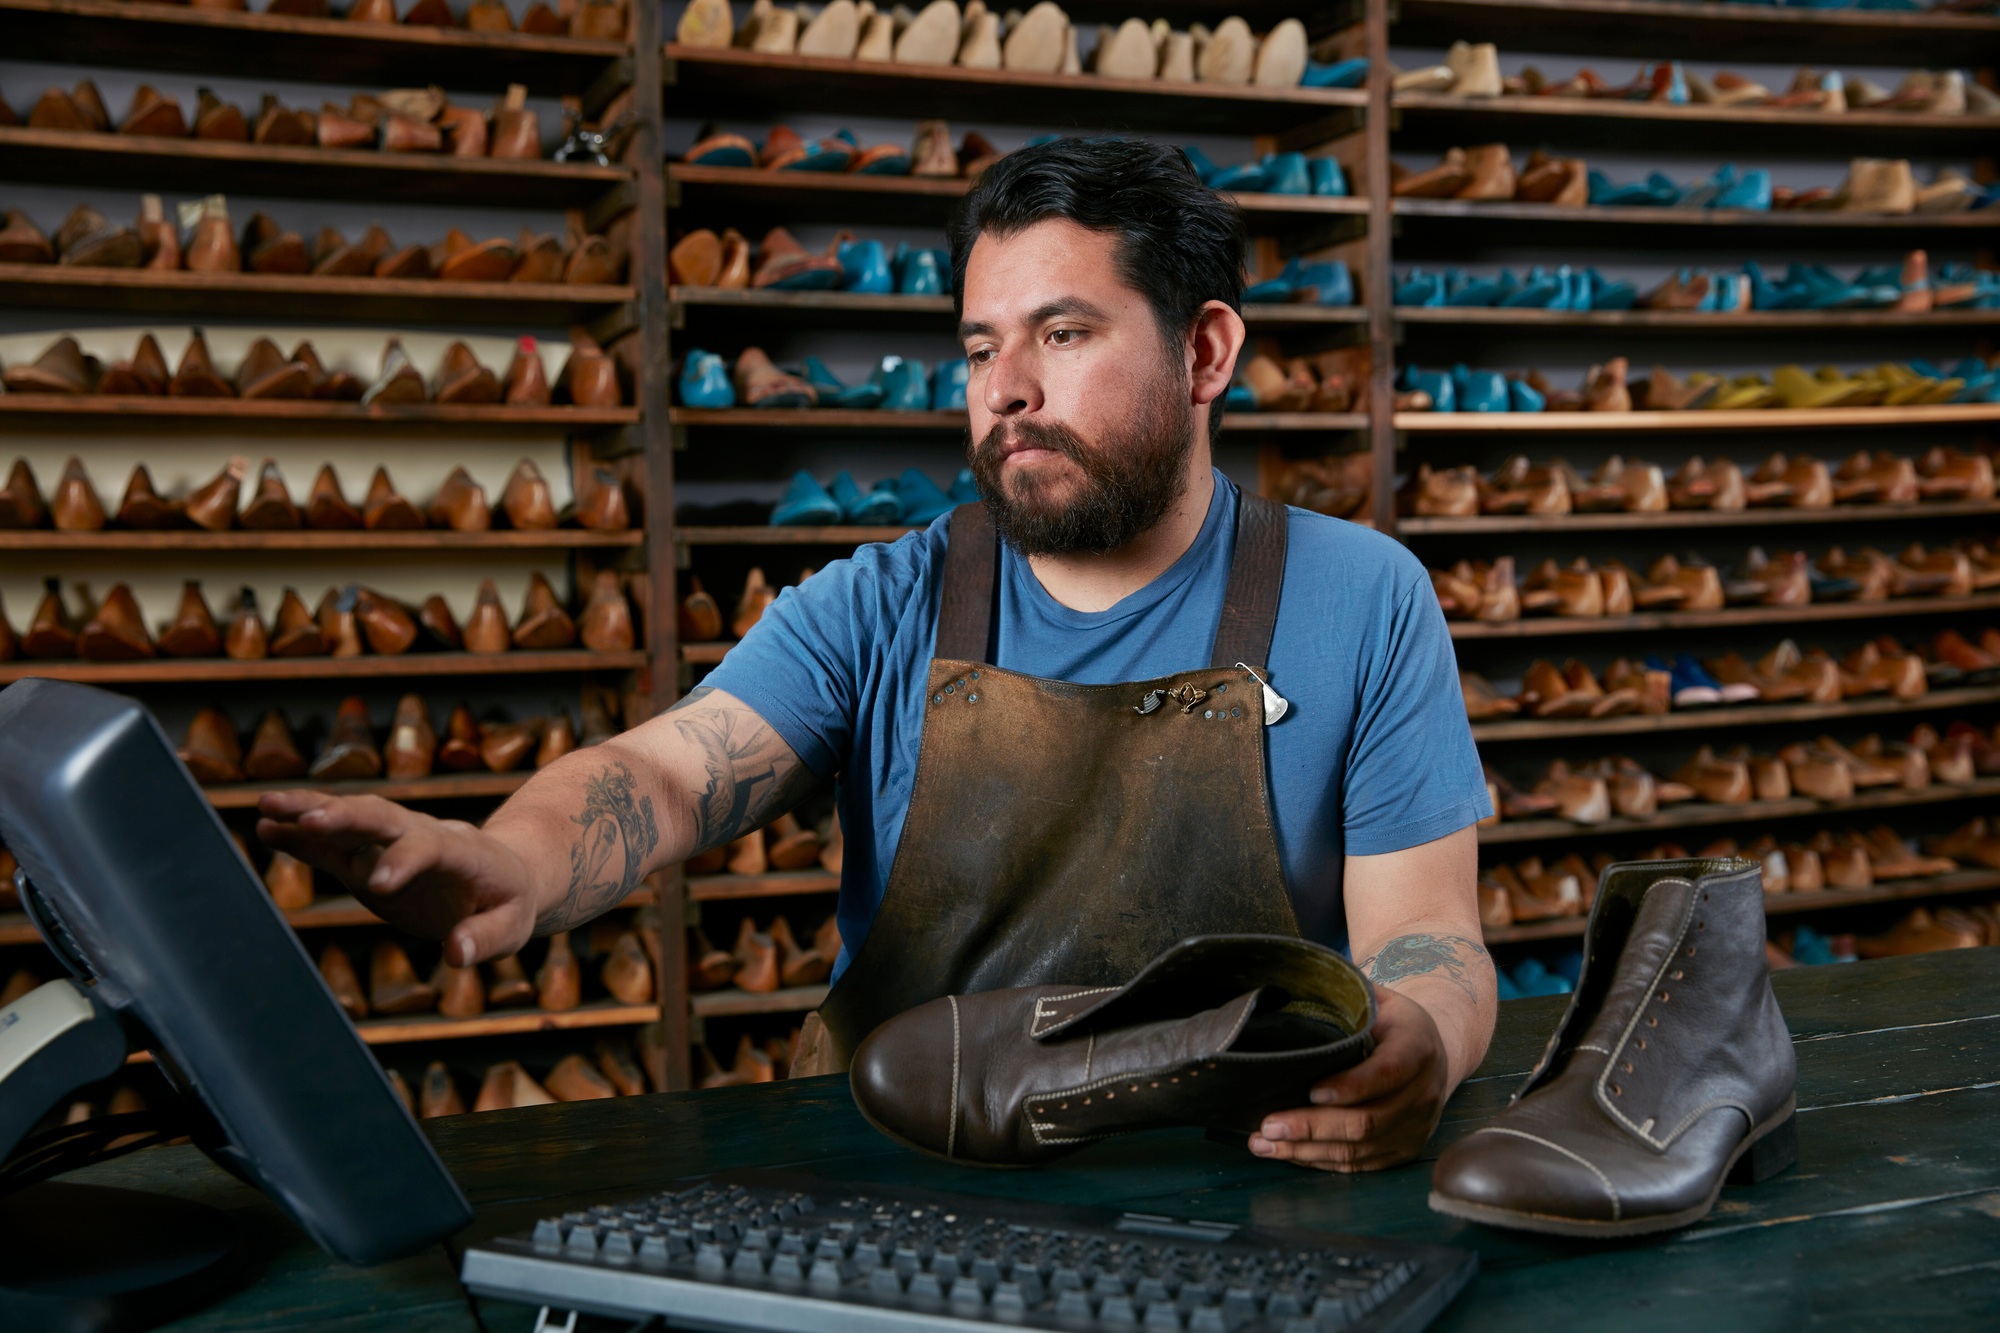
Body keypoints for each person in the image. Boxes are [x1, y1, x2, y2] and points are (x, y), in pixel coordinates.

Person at [262, 138, 1495, 1172]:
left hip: (1238, 1171)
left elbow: (1427, 935)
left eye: (1061, 335)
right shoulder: (887, 599)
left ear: (1204, 352)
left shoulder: (1358, 596)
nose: (1000, 390)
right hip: (906, 1183)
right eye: (975, 347)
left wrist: (1421, 1042)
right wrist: (513, 856)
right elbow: (669, 773)